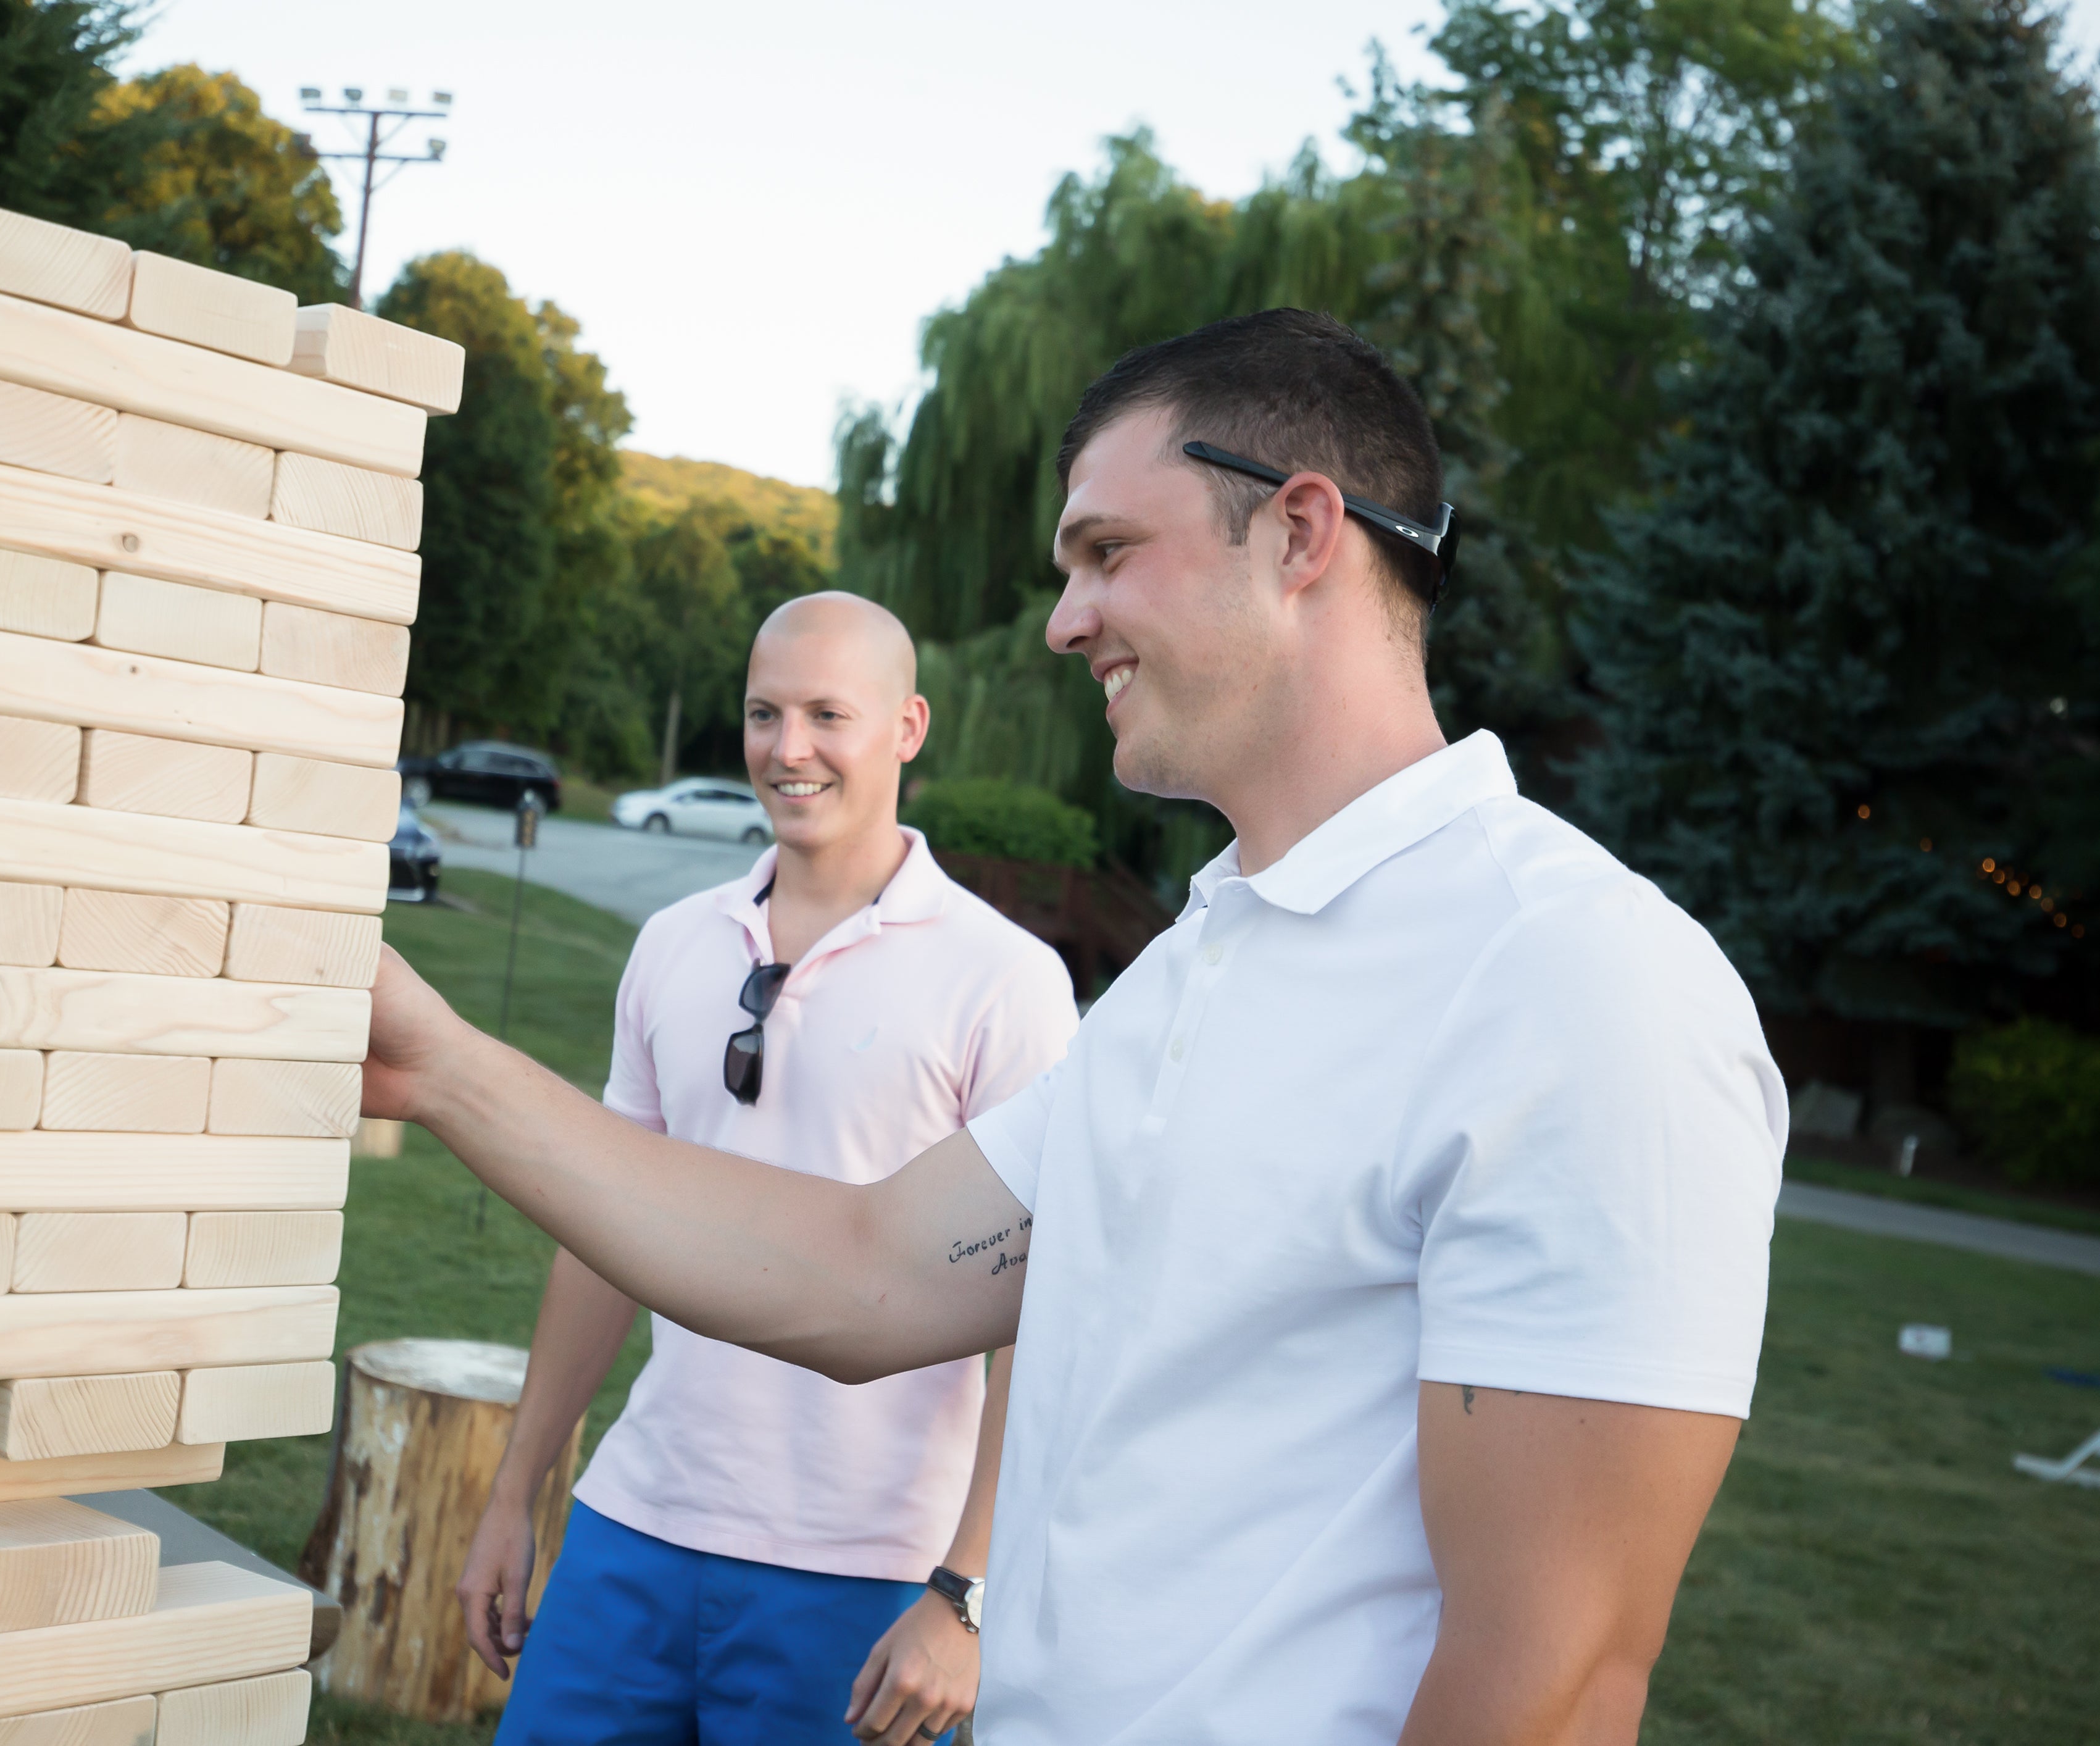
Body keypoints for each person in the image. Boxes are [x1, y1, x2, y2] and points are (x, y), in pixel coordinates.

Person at [372, 311, 1786, 1744]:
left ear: (1300, 532)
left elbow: (1552, 1681)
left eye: (1109, 552)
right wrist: (439, 1064)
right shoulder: (1191, 972)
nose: (1062, 620)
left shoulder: (1581, 986)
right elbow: (865, 1273)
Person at [462, 592, 1078, 1746]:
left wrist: (968, 1592)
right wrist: (517, 1490)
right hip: (635, 1522)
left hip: (869, 1568)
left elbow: (1039, 1312)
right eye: (763, 713)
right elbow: (602, 1230)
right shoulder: (674, 944)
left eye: (826, 715)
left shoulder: (1006, 980)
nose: (787, 749)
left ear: (907, 727)